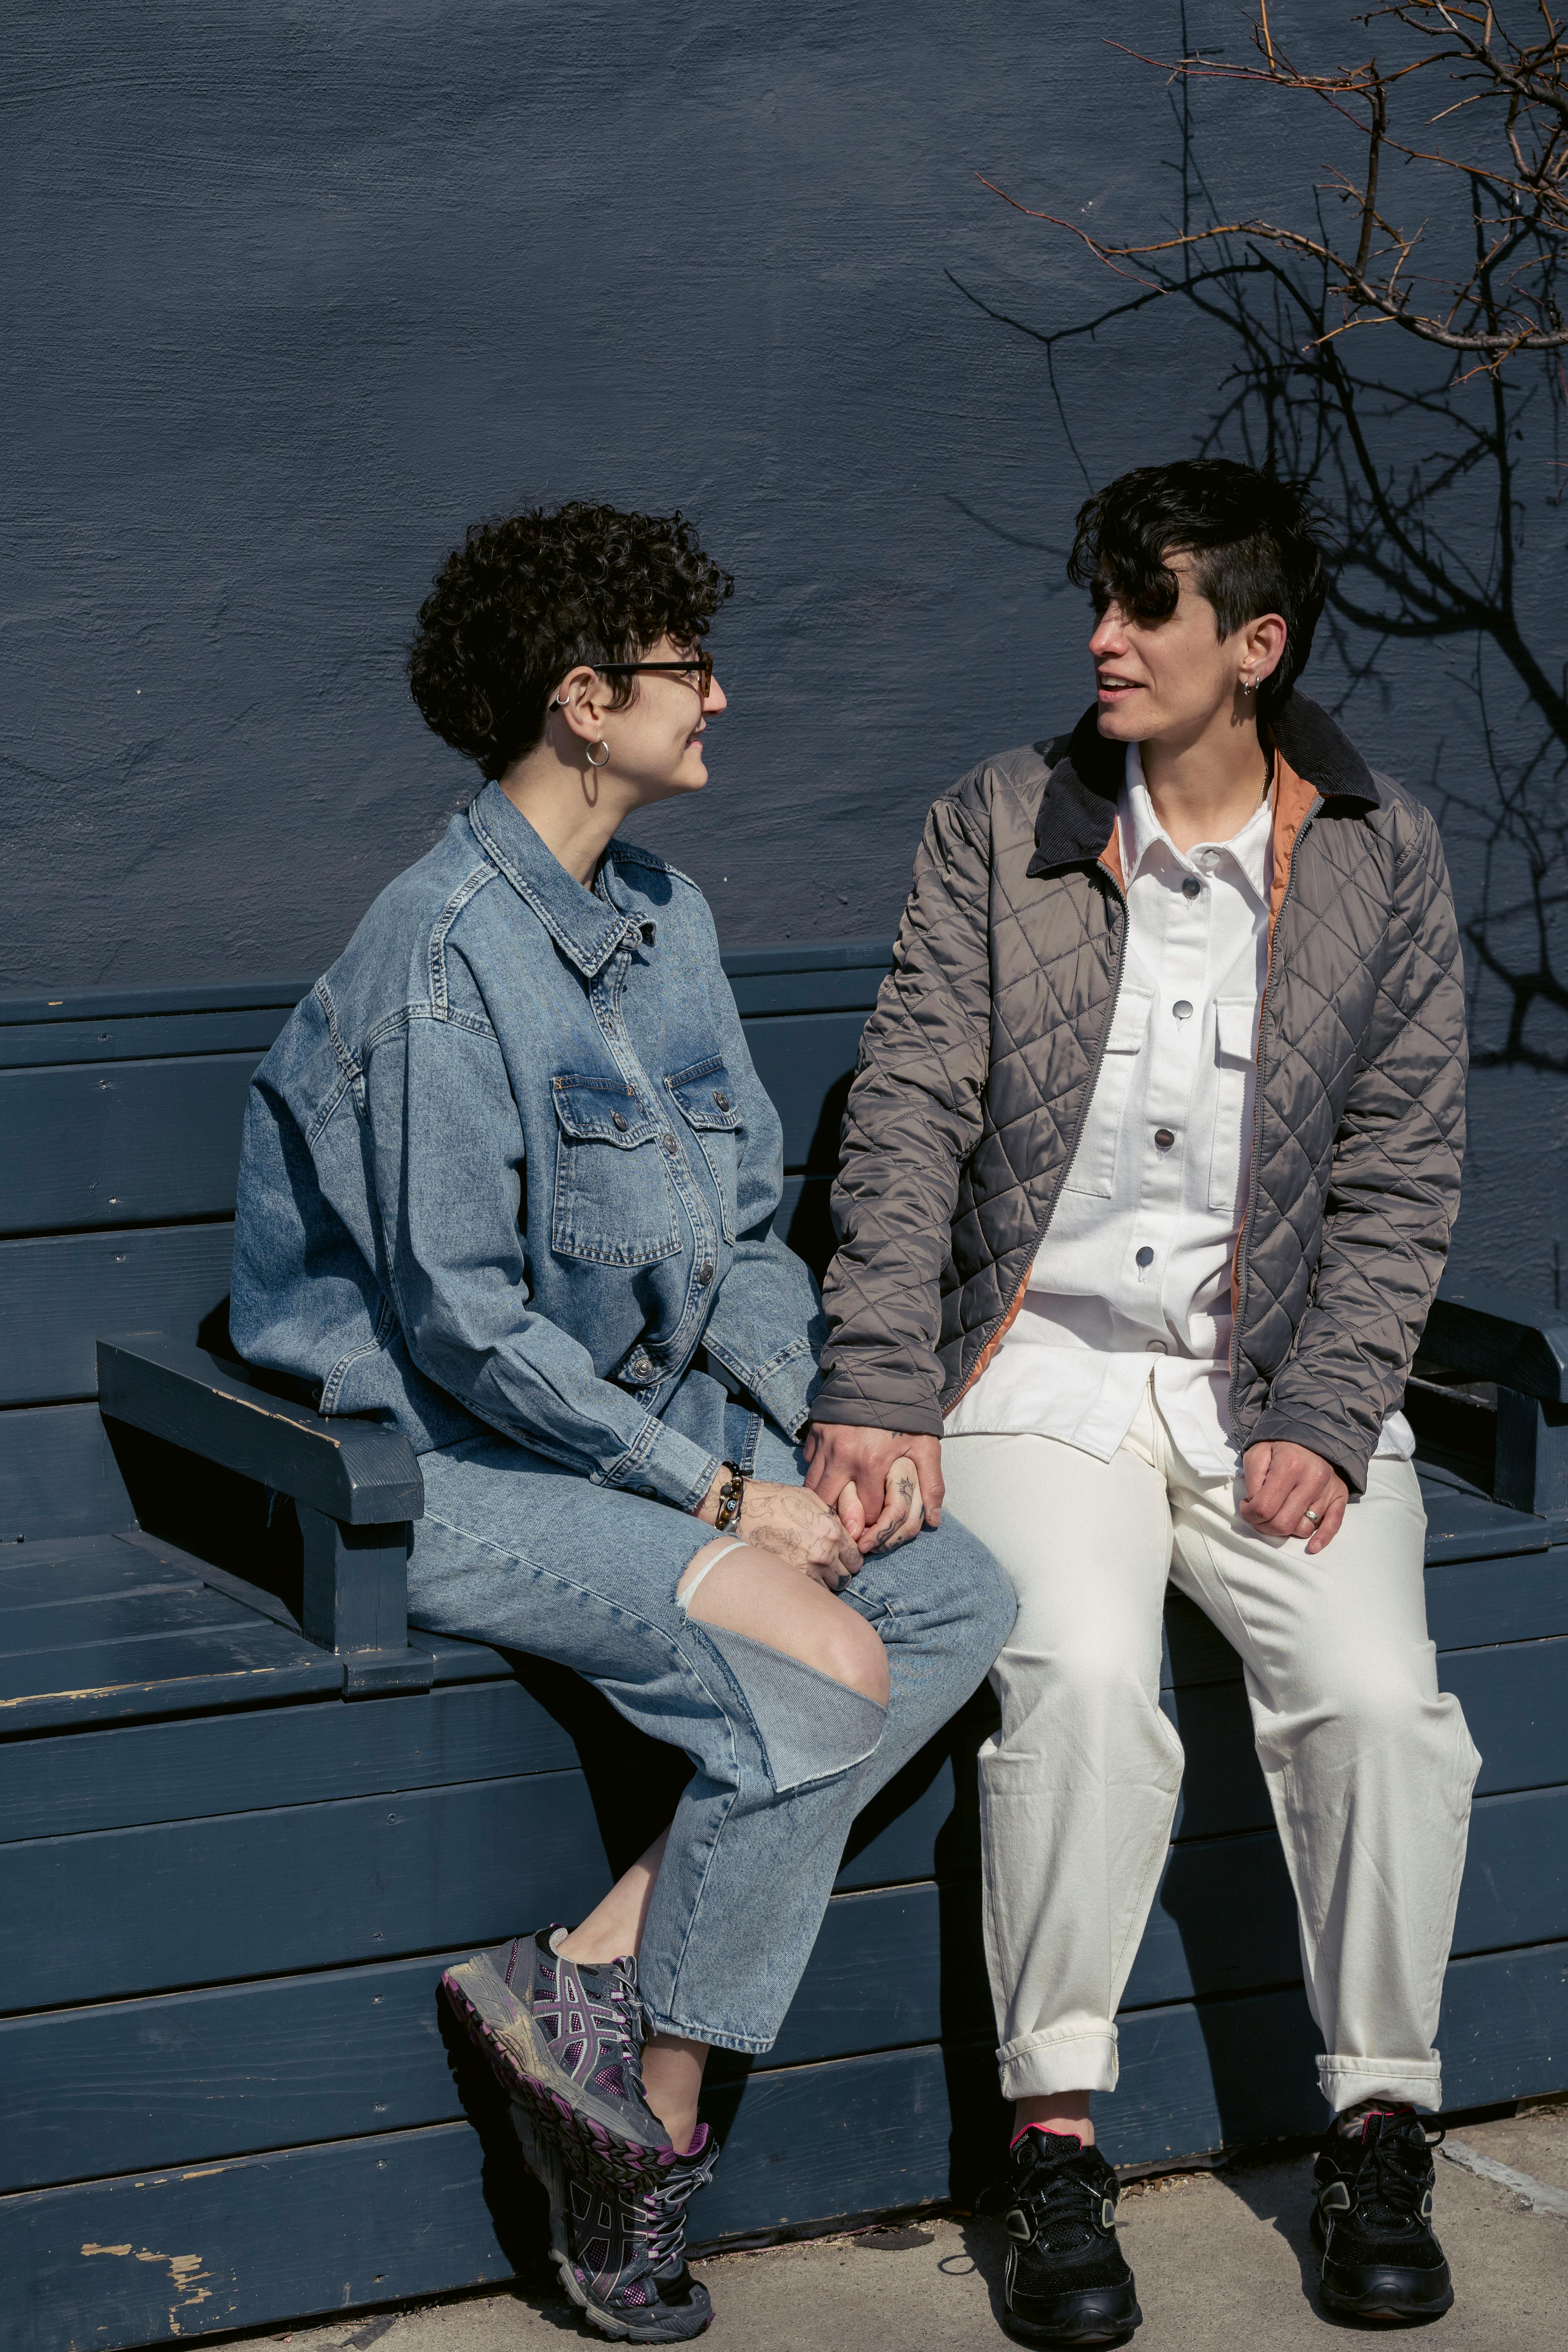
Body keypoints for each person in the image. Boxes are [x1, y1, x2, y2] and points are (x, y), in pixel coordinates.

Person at [230, 501, 1014, 2346]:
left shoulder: (666, 920)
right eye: (685, 672)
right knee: (824, 1661)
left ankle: (577, 1969)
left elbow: (740, 1228)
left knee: (955, 1598)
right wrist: (725, 1494)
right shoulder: (435, 959)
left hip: (641, 1434)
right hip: (450, 1468)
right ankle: (638, 2157)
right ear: (586, 702)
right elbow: (467, 1332)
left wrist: (831, 1426)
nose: (719, 697)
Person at [805, 460, 1477, 2341]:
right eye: (1099, 598)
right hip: (1044, 1370)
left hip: (1274, 1385)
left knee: (1374, 1708)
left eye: (1149, 607)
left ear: (1252, 648)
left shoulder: (1379, 853)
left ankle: (1376, 2127)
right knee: (1086, 1688)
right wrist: (881, 1385)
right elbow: (912, 1119)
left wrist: (1330, 1414)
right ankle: (1055, 2150)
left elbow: (1403, 1171)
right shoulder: (999, 824)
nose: (1103, 637)